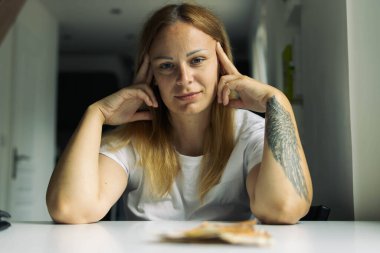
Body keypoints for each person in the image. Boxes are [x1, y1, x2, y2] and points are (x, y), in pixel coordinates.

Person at [46, 3, 312, 224]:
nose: (184, 79)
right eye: (166, 66)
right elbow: (70, 208)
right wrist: (96, 114)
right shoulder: (133, 140)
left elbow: (283, 208)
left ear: (221, 64)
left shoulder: (248, 131)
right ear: (151, 77)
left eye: (197, 60)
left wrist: (277, 101)